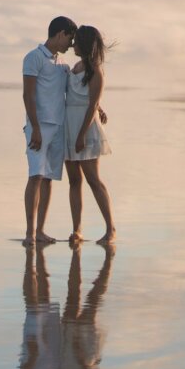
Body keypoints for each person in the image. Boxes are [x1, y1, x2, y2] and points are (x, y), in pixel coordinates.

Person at [22, 16, 76, 247]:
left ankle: (41, 230)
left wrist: (99, 108)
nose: (71, 44)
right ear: (61, 33)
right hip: (39, 126)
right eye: (69, 38)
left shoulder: (62, 64)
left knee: (47, 179)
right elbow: (28, 94)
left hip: (59, 127)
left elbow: (71, 92)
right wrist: (34, 128)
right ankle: (29, 233)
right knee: (35, 176)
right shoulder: (33, 57)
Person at [65, 25, 116, 245]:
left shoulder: (96, 70)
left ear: (85, 44)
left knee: (93, 180)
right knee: (74, 180)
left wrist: (81, 135)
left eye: (76, 42)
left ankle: (110, 229)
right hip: (70, 124)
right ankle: (77, 230)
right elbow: (89, 98)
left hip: (85, 128)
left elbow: (92, 102)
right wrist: (100, 108)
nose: (73, 45)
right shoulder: (75, 66)